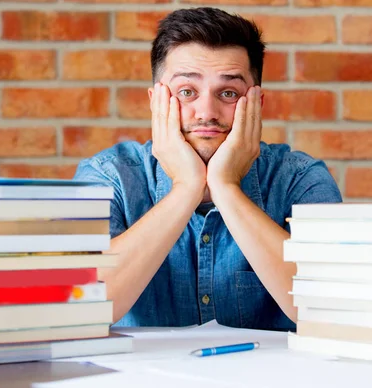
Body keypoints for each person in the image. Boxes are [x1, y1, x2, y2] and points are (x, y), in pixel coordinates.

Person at [73, 7, 342, 331]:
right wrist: (185, 188)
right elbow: (83, 306)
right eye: (187, 92)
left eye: (228, 93)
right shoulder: (108, 177)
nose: (207, 112)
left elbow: (332, 309)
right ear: (155, 101)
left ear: (257, 104)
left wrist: (226, 187)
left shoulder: (302, 179)